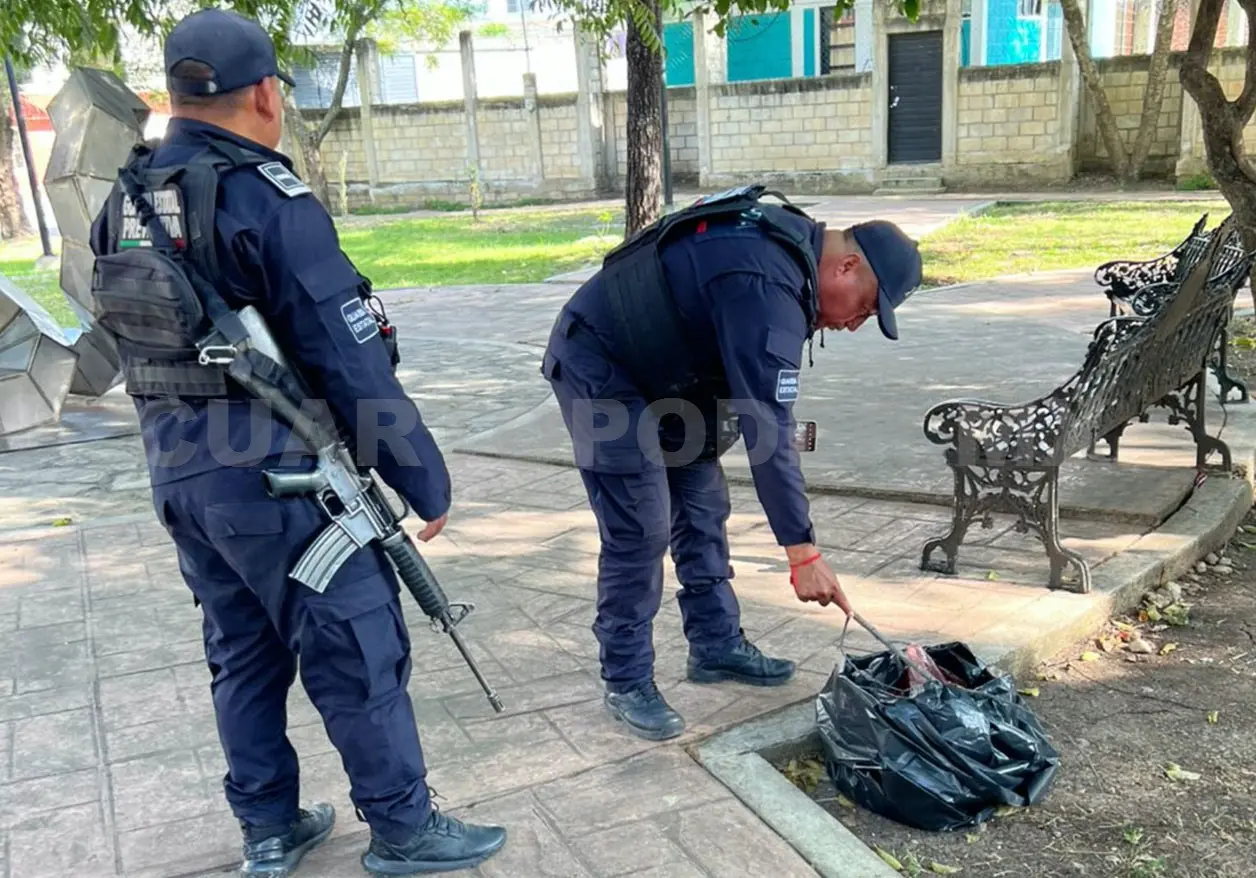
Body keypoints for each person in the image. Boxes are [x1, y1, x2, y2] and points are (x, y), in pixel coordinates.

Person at [87, 9, 506, 876]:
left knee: (241, 652)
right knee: (356, 647)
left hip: (181, 478)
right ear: (269, 95)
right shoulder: (267, 199)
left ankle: (270, 828)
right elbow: (351, 364)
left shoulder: (122, 200)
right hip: (281, 480)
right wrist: (424, 481)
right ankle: (402, 831)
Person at [540, 187, 922, 741]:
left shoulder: (789, 261)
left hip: (668, 369)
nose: (855, 324)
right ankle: (626, 678)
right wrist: (802, 551)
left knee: (700, 499)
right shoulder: (766, 284)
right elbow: (768, 427)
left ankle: (715, 644)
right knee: (641, 524)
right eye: (865, 306)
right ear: (846, 265)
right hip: (601, 363)